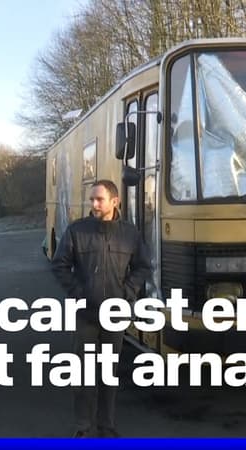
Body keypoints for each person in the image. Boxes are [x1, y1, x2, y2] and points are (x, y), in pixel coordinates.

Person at [51, 179, 152, 438]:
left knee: (109, 374)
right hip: (85, 315)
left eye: (99, 199)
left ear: (115, 201)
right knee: (83, 374)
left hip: (114, 317)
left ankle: (107, 425)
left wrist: (126, 293)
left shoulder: (129, 233)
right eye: (92, 199)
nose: (94, 204)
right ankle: (83, 426)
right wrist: (78, 293)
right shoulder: (77, 231)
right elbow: (59, 264)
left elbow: (142, 266)